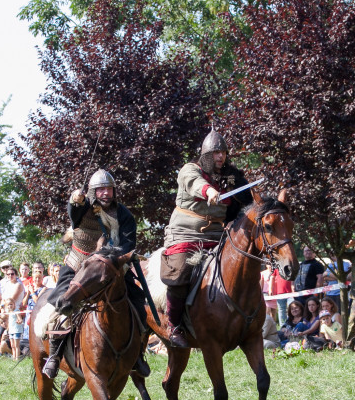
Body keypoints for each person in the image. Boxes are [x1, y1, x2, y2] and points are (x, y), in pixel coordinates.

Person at [42, 168, 150, 378]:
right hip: (78, 266)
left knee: (138, 302)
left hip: (110, 269)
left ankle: (137, 354)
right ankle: (54, 356)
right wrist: (75, 199)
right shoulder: (84, 209)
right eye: (100, 189)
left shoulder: (124, 214)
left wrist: (111, 260)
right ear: (93, 192)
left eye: (108, 188)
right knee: (62, 303)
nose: (105, 193)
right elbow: (73, 213)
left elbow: (128, 244)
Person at [161, 128, 253, 347]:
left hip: (218, 235)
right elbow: (195, 184)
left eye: (223, 152)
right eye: (215, 153)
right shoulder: (190, 170)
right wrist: (210, 192)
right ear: (205, 154)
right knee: (180, 272)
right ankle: (173, 325)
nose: (220, 157)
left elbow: (246, 200)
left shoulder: (231, 176)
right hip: (185, 235)